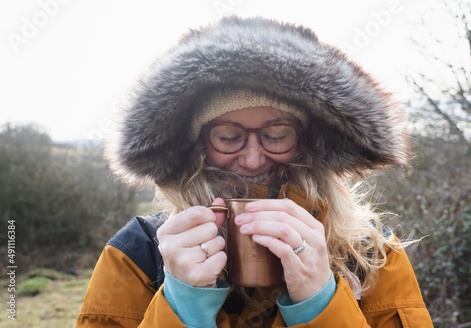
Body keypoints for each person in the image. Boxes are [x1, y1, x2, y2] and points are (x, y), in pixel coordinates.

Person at [76, 16, 433, 327]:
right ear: (197, 145)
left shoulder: (370, 253)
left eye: (276, 135)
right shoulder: (138, 254)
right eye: (228, 137)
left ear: (305, 141)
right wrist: (182, 305)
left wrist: (320, 303)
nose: (252, 159)